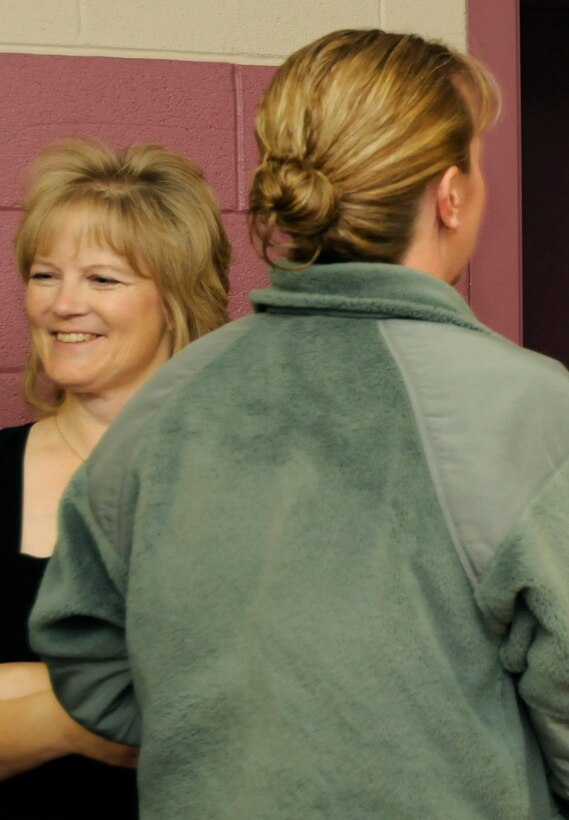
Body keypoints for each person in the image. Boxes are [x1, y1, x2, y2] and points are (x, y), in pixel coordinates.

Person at [29, 29, 569, 818]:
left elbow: (86, 655)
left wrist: (248, 747)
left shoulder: (170, 402)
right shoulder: (530, 410)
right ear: (451, 195)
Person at [0, 138, 230, 815]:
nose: (63, 305)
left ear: (177, 299)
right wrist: (82, 713)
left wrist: (29, 689)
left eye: (102, 279)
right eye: (45, 275)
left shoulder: (248, 481)